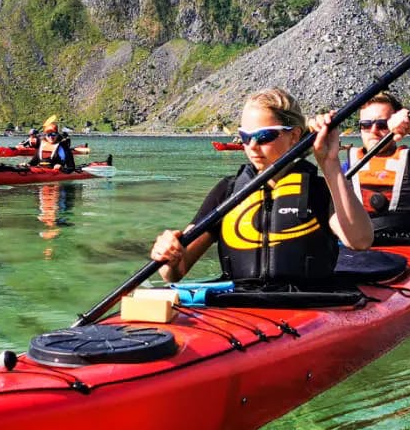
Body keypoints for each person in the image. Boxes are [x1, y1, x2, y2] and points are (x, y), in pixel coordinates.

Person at [150, 88, 372, 287]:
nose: (252, 146)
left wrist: (329, 162)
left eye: (264, 136)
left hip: (308, 307)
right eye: (245, 137)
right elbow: (175, 273)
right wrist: (168, 255)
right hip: (241, 307)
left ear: (294, 135)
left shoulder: (318, 190)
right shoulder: (227, 191)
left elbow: (360, 241)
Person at [343, 91, 410, 240]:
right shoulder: (347, 167)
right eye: (365, 125)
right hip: (362, 245)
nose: (373, 131)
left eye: (382, 125)